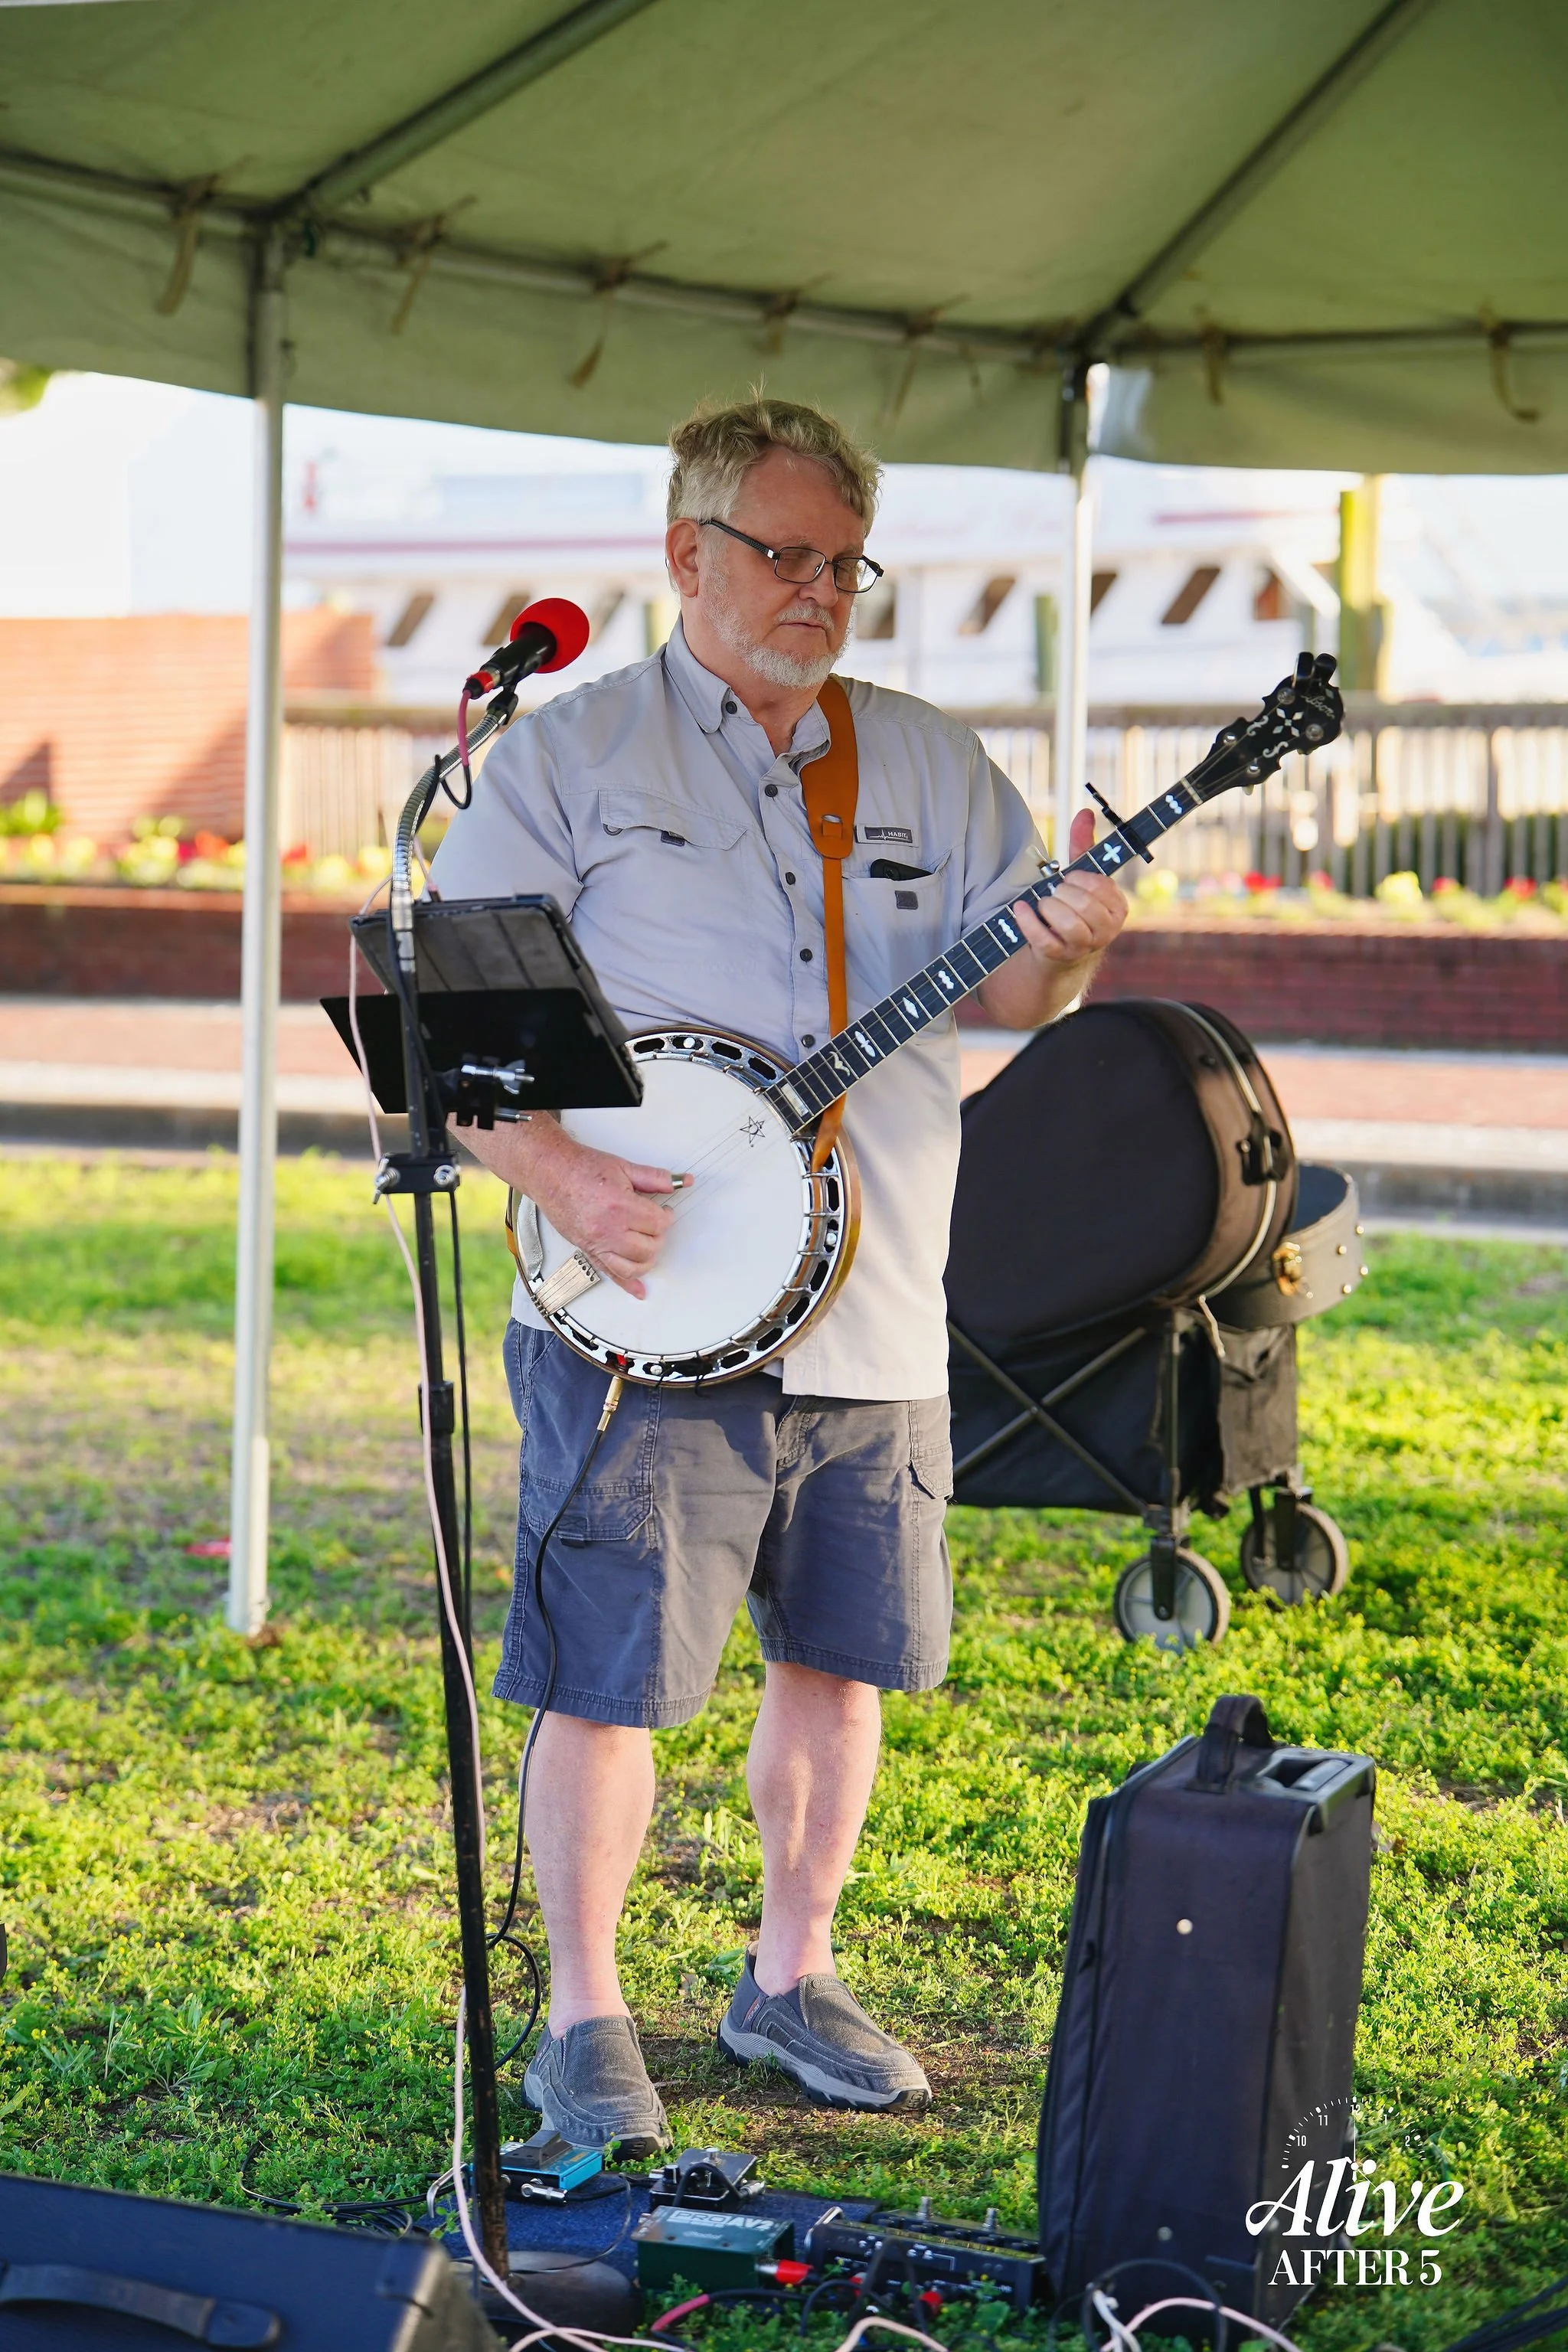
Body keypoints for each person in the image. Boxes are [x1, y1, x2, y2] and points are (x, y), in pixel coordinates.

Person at [429, 396, 1127, 2153]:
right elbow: (448, 1047)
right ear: (690, 554)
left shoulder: (931, 761)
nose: (820, 590)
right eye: (785, 554)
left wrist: (1071, 952)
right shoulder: (564, 759)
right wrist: (566, 1174)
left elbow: (1012, 1003)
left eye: (843, 563)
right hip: (644, 1314)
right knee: (608, 1672)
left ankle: (790, 1973)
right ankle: (582, 2009)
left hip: (881, 1309)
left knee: (841, 1660)